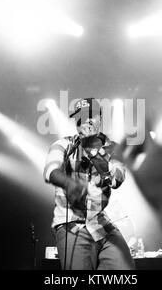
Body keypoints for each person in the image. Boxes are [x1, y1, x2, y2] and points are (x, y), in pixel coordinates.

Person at [43, 98, 135, 270]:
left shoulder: (114, 149)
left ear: (100, 118)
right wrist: (68, 183)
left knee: (125, 269)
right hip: (71, 224)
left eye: (90, 116)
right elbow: (50, 171)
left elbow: (116, 179)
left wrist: (93, 150)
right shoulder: (63, 145)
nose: (85, 121)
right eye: (80, 118)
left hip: (101, 224)